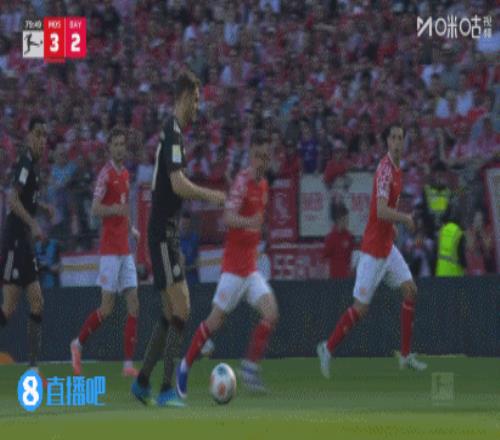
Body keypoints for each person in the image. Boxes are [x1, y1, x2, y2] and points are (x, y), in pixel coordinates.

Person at [131, 71, 225, 407]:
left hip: (163, 232)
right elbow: (178, 183)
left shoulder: (174, 133)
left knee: (171, 310)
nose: (198, 106)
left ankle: (143, 382)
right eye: (196, 100)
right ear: (184, 97)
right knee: (182, 306)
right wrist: (212, 196)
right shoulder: (172, 132)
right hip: (162, 233)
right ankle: (167, 389)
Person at [317, 124, 428, 378]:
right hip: (373, 252)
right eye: (393, 138)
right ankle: (327, 347)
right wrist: (404, 219)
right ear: (387, 142)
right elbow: (380, 210)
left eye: (401, 137)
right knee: (360, 309)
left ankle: (405, 355)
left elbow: (384, 212)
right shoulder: (386, 170)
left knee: (410, 290)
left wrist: (392, 226)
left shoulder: (397, 170)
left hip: (387, 247)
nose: (398, 142)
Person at [176, 132, 279, 399]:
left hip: (250, 269)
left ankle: (250, 369)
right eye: (258, 156)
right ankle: (184, 367)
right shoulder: (243, 182)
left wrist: (256, 228)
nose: (262, 161)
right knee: (214, 321)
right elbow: (229, 217)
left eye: (266, 156)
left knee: (271, 313)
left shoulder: (263, 185)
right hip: (233, 269)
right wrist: (250, 222)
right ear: (251, 156)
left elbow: (255, 221)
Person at [70, 127, 141, 378]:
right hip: (110, 251)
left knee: (134, 305)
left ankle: (128, 365)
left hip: (125, 250)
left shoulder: (126, 174)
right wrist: (115, 210)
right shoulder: (105, 175)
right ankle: (77, 344)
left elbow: (124, 208)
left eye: (123, 144)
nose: (120, 148)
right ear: (110, 148)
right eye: (116, 144)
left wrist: (131, 228)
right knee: (107, 308)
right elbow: (95, 209)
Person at [0, 117, 53, 378]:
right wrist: (33, 223)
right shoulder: (24, 163)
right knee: (8, 308)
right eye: (38, 134)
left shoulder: (34, 166)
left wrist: (42, 208)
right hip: (15, 241)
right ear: (29, 136)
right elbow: (12, 199)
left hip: (25, 244)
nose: (42, 140)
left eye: (45, 136)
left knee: (37, 302)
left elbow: (27, 198)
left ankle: (33, 369)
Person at [322, 202, 356, 279]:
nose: (347, 222)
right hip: (334, 278)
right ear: (339, 220)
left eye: (348, 219)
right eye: (345, 220)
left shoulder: (349, 236)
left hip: (347, 277)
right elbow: (325, 256)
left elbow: (352, 256)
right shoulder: (330, 237)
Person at [435, 204, 466, 277]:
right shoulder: (459, 233)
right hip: (454, 275)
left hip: (441, 273)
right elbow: (461, 255)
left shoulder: (442, 230)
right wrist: (465, 267)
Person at [179, 211, 200, 287]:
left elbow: (197, 258)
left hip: (192, 277)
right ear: (179, 223)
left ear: (190, 224)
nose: (184, 226)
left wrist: (193, 266)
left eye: (186, 224)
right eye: (183, 223)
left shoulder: (194, 237)